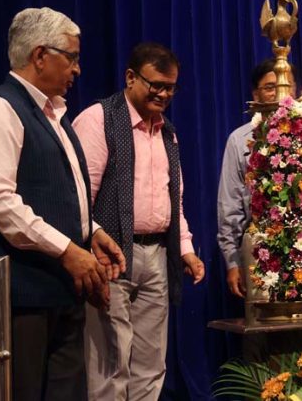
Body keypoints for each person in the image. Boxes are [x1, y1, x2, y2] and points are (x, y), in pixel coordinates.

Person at [0, 7, 126, 401]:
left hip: (60, 289)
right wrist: (68, 249)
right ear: (40, 56)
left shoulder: (55, 115)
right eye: (71, 57)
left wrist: (93, 233)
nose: (78, 69)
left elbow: (62, 193)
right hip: (19, 297)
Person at [72, 42, 205, 400]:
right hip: (111, 257)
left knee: (151, 363)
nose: (163, 94)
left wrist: (185, 250)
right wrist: (92, 242)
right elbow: (80, 196)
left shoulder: (168, 132)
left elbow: (172, 201)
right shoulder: (99, 119)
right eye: (155, 85)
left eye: (170, 87)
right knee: (111, 362)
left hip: (157, 256)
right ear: (130, 77)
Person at [217, 60, 302, 302]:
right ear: (255, 95)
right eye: (270, 87)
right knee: (265, 331)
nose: (280, 93)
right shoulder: (240, 140)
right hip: (263, 251)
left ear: (297, 90)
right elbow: (230, 208)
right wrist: (233, 261)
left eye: (286, 85)